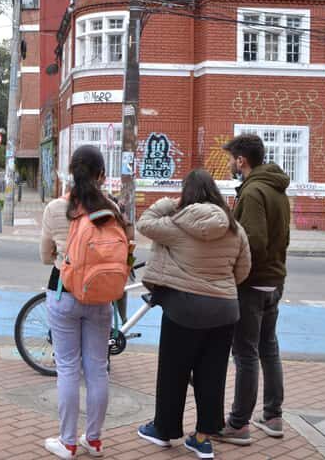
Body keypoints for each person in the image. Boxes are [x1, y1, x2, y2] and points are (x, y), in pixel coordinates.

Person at [136, 169, 251, 459]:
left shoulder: (176, 225)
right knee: (212, 375)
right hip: (225, 310)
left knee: (173, 372)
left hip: (184, 309)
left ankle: (163, 430)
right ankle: (202, 439)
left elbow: (144, 222)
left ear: (187, 195)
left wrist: (169, 202)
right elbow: (243, 270)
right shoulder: (235, 229)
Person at [39, 145, 131, 459]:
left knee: (67, 368)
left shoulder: (55, 209)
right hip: (101, 296)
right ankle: (93, 440)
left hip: (63, 293)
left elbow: (44, 255)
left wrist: (61, 256)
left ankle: (66, 442)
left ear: (72, 171)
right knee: (97, 369)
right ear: (101, 175)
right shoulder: (112, 209)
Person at [213, 134, 291, 446]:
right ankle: (272, 415)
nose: (230, 163)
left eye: (232, 158)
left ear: (242, 160)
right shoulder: (275, 188)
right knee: (268, 347)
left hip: (252, 283)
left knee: (246, 353)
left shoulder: (253, 193)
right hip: (274, 280)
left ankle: (238, 424)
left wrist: (234, 272)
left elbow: (253, 242)